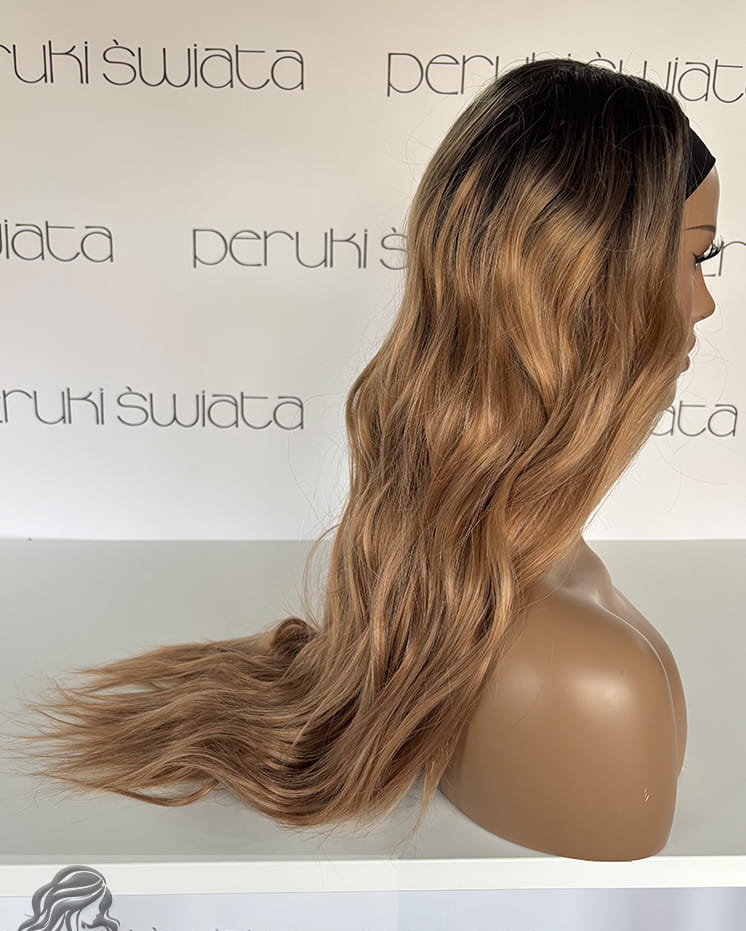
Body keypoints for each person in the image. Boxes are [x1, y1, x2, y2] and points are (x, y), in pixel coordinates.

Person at [11, 57, 721, 861]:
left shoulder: (486, 583)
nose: (703, 304)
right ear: (586, 292)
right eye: (694, 257)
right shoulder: (596, 682)